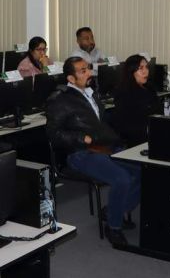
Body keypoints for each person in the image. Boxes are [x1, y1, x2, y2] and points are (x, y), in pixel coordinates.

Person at [45, 56, 141, 246]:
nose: (89, 73)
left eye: (88, 68)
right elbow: (53, 134)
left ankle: (113, 211)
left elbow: (100, 123)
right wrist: (80, 138)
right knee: (122, 178)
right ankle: (113, 227)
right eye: (83, 71)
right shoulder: (60, 100)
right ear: (71, 78)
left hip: (104, 147)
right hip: (80, 153)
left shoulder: (91, 94)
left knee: (143, 171)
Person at [112, 54, 162, 146]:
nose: (145, 72)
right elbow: (126, 126)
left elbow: (158, 113)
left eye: (146, 67)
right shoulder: (124, 93)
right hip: (136, 140)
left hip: (154, 134)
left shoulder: (150, 88)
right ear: (131, 72)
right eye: (140, 68)